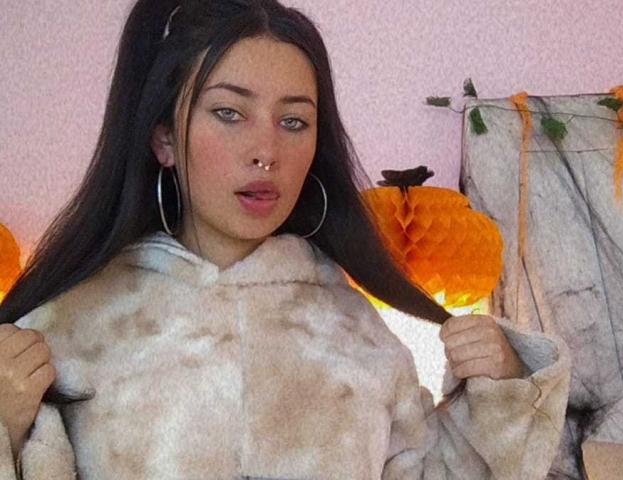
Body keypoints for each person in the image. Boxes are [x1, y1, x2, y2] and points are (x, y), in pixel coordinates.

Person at [0, 1, 570, 478]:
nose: (266, 152)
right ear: (164, 138)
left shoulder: (356, 334)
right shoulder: (67, 332)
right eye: (229, 113)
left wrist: (501, 387)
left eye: (293, 121)